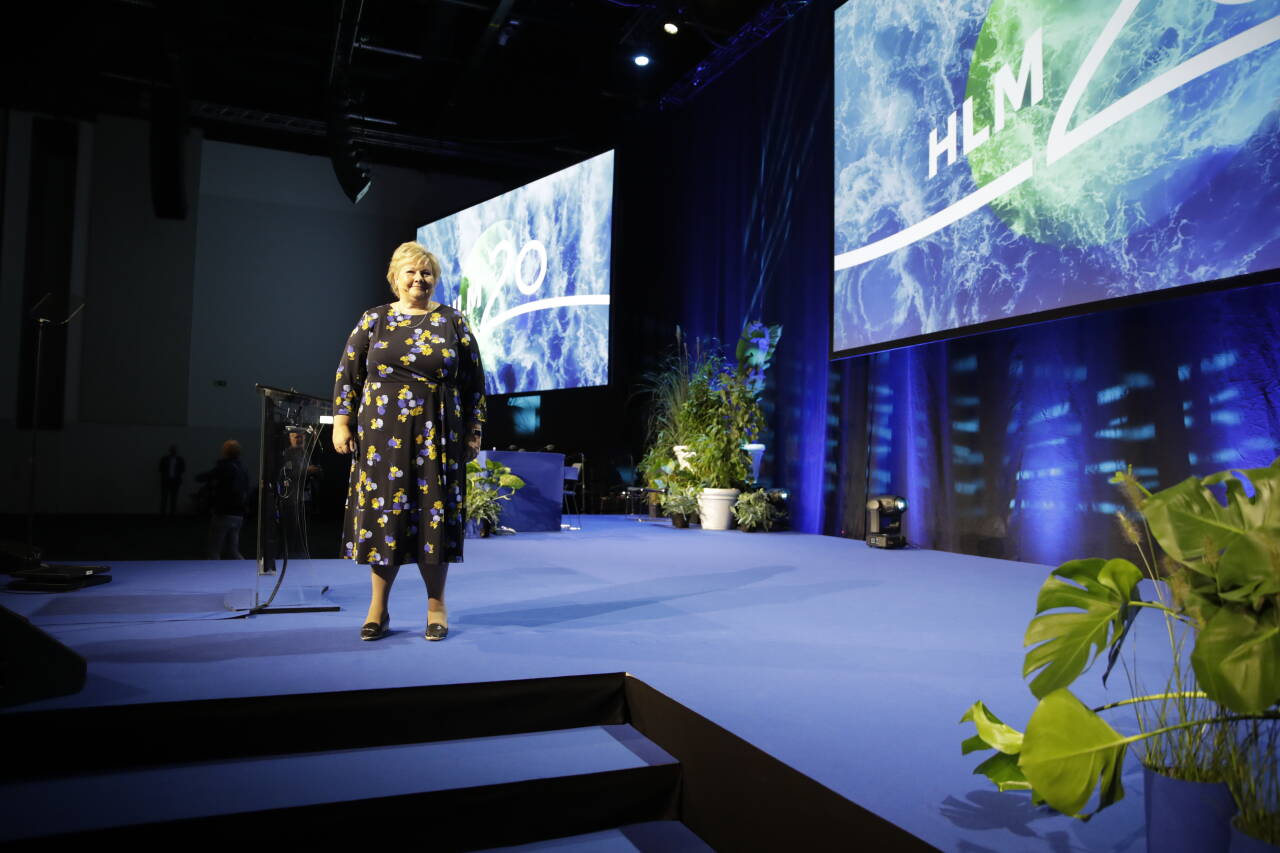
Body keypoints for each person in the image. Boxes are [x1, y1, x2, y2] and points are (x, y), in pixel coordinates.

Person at [333, 241, 486, 642]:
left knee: (433, 516)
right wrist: (341, 422)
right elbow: (348, 373)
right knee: (386, 517)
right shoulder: (373, 320)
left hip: (438, 433)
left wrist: (473, 431)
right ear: (395, 278)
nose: (419, 279)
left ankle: (436, 606)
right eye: (411, 272)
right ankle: (377, 609)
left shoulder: (454, 321)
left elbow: (474, 384)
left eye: (426, 273)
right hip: (382, 436)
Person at [196, 439, 250, 559]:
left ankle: (213, 575)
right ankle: (245, 571)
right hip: (238, 514)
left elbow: (205, 477)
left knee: (214, 550)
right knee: (233, 550)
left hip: (224, 512)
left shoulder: (224, 467)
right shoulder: (243, 468)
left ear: (225, 452)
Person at [158, 445, 185, 515]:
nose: (173, 451)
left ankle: (171, 514)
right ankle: (164, 514)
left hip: (174, 481)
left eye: (174, 450)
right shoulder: (165, 459)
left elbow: (183, 469)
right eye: (172, 450)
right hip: (167, 481)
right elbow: (160, 469)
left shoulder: (179, 459)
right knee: (166, 498)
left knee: (172, 498)